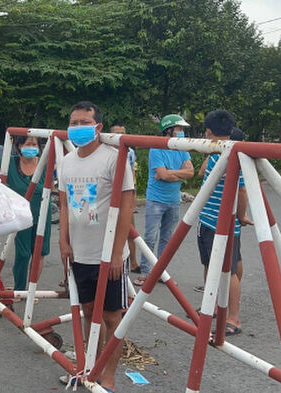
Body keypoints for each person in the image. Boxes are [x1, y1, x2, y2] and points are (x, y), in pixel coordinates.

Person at [58, 101, 134, 393]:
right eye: (73, 122)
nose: (77, 127)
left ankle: (109, 377)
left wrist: (117, 252)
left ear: (98, 127)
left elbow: (127, 205)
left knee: (114, 317)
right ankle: (90, 368)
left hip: (108, 254)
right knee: (89, 313)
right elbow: (64, 203)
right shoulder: (66, 161)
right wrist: (63, 241)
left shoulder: (114, 159)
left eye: (84, 122)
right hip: (79, 252)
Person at [197, 115, 251, 336]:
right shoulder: (217, 154)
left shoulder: (234, 157)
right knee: (210, 264)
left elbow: (242, 189)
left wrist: (241, 215)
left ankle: (233, 318)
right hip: (207, 219)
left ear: (208, 132)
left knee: (228, 270)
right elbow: (202, 174)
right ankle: (213, 306)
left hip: (224, 223)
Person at [0, 136, 51, 292]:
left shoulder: (44, 164)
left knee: (39, 252)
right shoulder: (11, 163)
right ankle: (20, 289)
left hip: (42, 215)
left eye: (34, 144)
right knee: (23, 254)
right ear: (19, 146)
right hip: (21, 216)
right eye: (27, 144)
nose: (31, 147)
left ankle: (31, 290)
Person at [133, 115, 194, 286]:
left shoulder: (183, 148)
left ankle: (159, 271)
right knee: (151, 237)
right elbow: (163, 174)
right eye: (179, 129)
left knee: (167, 238)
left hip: (173, 200)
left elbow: (190, 172)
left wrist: (170, 174)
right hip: (156, 200)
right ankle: (146, 272)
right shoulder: (157, 148)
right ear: (169, 129)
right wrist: (177, 174)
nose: (181, 132)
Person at [109, 122, 139, 274]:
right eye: (117, 133)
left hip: (126, 194)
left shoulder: (130, 152)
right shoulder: (106, 152)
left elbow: (132, 177)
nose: (121, 136)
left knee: (129, 230)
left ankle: (133, 262)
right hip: (108, 197)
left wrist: (132, 199)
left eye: (124, 132)